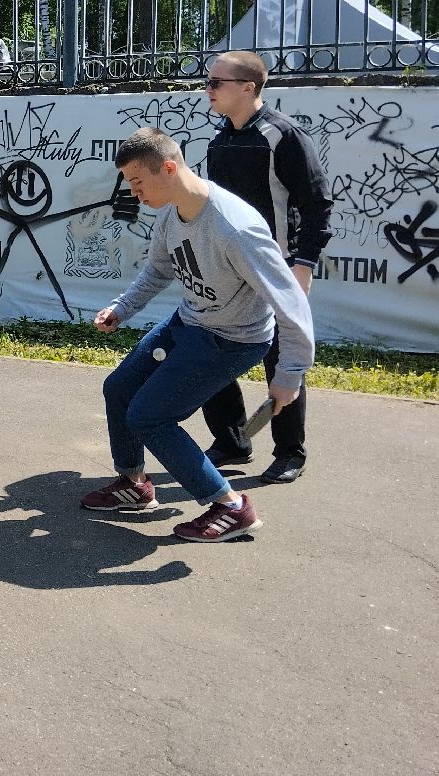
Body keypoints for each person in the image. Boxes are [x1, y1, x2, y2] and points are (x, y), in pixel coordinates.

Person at [84, 127, 314, 542]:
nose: (133, 192)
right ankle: (135, 485)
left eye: (137, 181)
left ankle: (231, 506)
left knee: (149, 416)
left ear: (168, 169)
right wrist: (122, 308)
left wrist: (289, 374)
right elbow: (158, 269)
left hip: (232, 341)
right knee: (119, 389)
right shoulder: (172, 213)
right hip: (189, 323)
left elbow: (292, 304)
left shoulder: (235, 229)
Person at [199, 50, 332, 483]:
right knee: (211, 352)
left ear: (248, 87)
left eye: (216, 82)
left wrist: (303, 266)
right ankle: (232, 441)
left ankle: (290, 452)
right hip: (226, 271)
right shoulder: (219, 140)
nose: (208, 89)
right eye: (208, 81)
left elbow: (317, 205)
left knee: (281, 359)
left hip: (276, 269)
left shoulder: (284, 136)